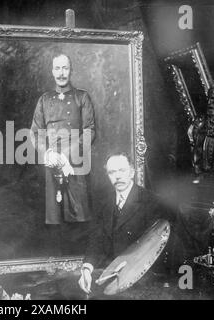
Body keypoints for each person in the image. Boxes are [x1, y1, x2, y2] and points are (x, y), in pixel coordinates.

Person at [77, 151, 175, 297]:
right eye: (112, 172)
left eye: (122, 170)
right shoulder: (104, 203)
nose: (117, 176)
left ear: (132, 172)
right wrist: (87, 269)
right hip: (110, 280)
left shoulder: (152, 202)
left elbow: (154, 247)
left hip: (142, 282)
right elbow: (96, 239)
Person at [30, 54, 96, 254]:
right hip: (51, 162)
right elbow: (35, 132)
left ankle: (79, 261)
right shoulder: (44, 99)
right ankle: (57, 261)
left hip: (75, 162)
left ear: (71, 70)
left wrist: (67, 155)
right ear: (52, 71)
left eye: (65, 68)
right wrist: (47, 153)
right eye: (57, 68)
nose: (61, 73)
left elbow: (89, 130)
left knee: (78, 213)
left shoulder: (81, 97)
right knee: (54, 215)